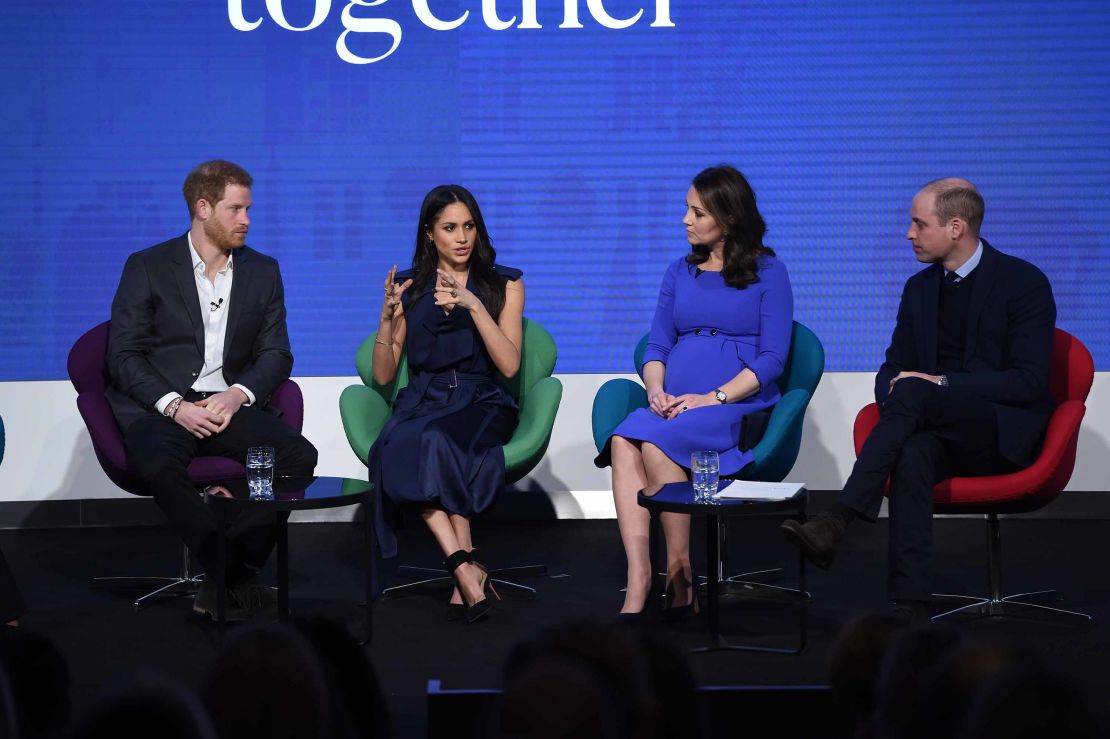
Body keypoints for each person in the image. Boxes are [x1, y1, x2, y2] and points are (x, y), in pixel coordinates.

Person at [782, 178, 1056, 621]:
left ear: (955, 227)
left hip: (998, 434)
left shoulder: (1023, 283)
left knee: (916, 390)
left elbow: (1026, 383)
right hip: (936, 432)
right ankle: (910, 607)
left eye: (917, 224)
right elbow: (892, 370)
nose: (909, 234)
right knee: (912, 451)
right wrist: (906, 400)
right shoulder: (919, 289)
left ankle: (839, 519)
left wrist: (937, 384)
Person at [106, 160, 318, 619]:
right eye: (235, 209)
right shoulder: (148, 266)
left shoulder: (263, 271)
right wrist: (175, 406)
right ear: (203, 208)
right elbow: (123, 355)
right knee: (158, 461)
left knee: (300, 456)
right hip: (164, 410)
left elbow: (277, 353)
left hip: (227, 407)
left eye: (248, 209)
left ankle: (223, 572)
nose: (246, 220)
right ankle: (232, 575)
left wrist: (236, 394)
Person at [594, 165, 794, 619]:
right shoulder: (679, 271)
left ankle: (681, 574)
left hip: (735, 402)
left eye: (697, 211)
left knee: (659, 439)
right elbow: (657, 343)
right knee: (624, 440)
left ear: (728, 217)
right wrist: (655, 390)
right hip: (676, 400)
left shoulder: (769, 271)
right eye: (687, 208)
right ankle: (642, 576)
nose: (685, 219)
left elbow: (772, 360)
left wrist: (715, 397)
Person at [367, 184, 523, 624]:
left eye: (469, 226)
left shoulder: (504, 284)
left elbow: (510, 366)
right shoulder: (409, 287)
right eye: (450, 227)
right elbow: (383, 374)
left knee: (433, 439)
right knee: (394, 444)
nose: (462, 237)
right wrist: (385, 317)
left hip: (482, 399)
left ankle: (464, 569)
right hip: (425, 398)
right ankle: (465, 566)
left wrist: (474, 304)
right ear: (429, 233)